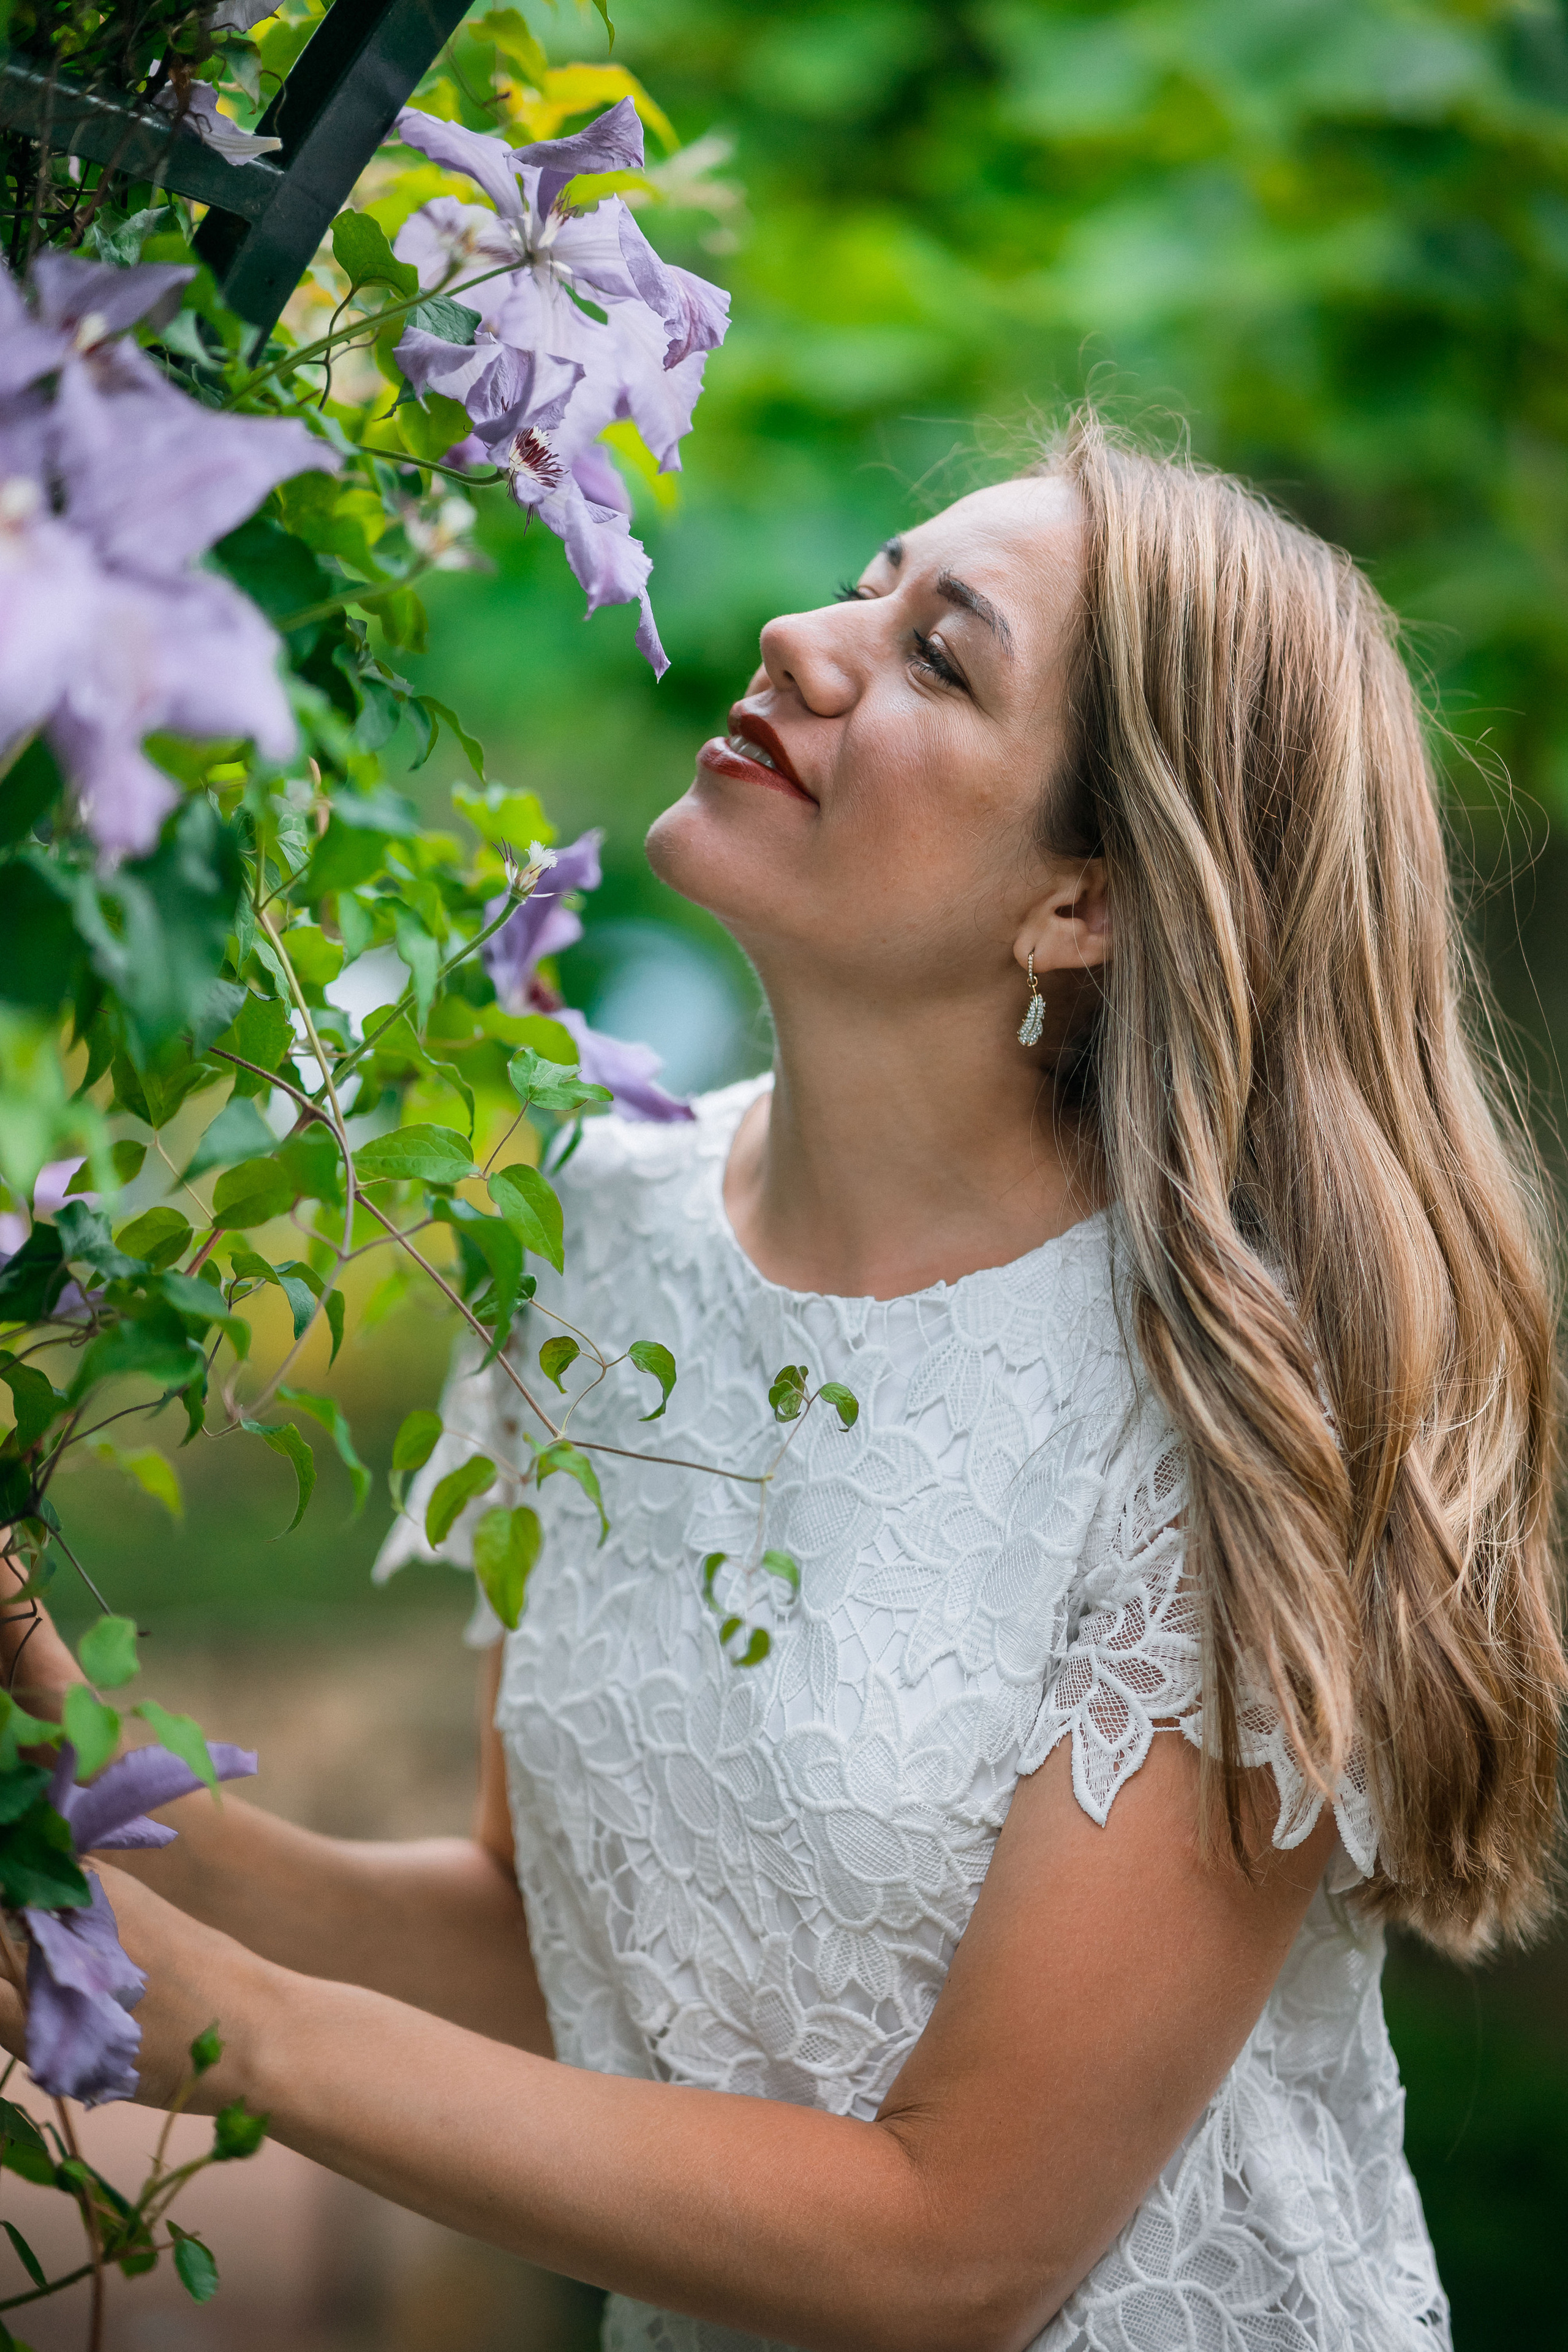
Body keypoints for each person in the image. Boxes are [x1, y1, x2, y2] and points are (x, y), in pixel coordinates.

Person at [2, 412, 1562, 2352]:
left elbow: (953, 2252)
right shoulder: (593, 1240)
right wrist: (65, 1743)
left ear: (1081, 903)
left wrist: (241, 2032)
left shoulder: (1223, 1416)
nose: (802, 643)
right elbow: (571, 1965)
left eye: (939, 660)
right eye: (861, 588)